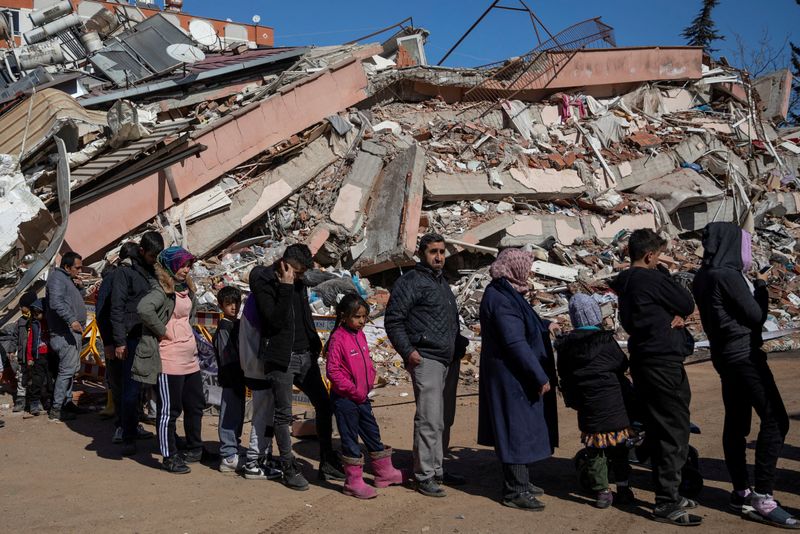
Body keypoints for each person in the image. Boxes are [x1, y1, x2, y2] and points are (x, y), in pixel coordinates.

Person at [693, 222, 795, 529]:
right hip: (744, 357)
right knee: (776, 420)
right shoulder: (726, 275)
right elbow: (755, 316)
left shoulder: (704, 275)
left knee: (736, 421)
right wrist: (761, 288)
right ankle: (763, 497)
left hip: (724, 356)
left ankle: (740, 490)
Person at [609, 229, 700, 526]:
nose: (660, 260)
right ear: (650, 255)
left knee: (659, 425)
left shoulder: (624, 283)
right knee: (674, 429)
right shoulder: (653, 278)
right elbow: (686, 303)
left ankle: (669, 491)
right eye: (658, 256)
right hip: (663, 362)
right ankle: (666, 501)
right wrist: (666, 283)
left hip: (644, 360)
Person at [249, 244, 344, 490]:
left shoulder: (299, 281)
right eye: (298, 272)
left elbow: (303, 314)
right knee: (283, 414)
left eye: (302, 273)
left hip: (305, 356)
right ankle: (288, 467)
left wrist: (314, 343)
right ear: (285, 265)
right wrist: (286, 286)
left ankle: (327, 460)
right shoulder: (264, 281)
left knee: (324, 404)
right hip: (281, 358)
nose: (301, 276)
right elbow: (274, 322)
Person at [385, 233, 469, 498]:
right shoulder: (410, 282)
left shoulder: (441, 282)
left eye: (442, 252)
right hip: (427, 359)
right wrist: (409, 352)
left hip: (448, 359)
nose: (439, 257)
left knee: (444, 419)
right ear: (422, 253)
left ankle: (438, 468)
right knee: (429, 419)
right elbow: (394, 320)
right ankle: (424, 475)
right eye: (434, 251)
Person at [477, 248, 559, 511]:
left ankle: (522, 482)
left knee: (521, 428)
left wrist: (544, 326)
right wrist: (538, 374)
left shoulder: (509, 291)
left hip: (514, 375)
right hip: (510, 376)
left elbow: (524, 323)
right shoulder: (501, 298)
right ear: (514, 268)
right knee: (515, 430)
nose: (530, 272)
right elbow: (514, 342)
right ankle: (515, 490)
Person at [555, 293, 634, 509]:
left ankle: (602, 493)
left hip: (588, 407)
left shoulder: (566, 346)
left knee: (595, 452)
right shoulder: (605, 341)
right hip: (615, 405)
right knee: (619, 450)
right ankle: (624, 488)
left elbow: (564, 375)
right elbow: (622, 364)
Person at [326, 294, 405, 499]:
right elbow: (333, 372)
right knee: (350, 439)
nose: (362, 321)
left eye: (364, 317)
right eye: (357, 317)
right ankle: (353, 482)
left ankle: (384, 473)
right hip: (345, 400)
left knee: (371, 431)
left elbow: (366, 360)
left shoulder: (359, 334)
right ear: (344, 316)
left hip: (362, 397)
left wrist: (370, 377)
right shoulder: (337, 339)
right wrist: (354, 390)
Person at [134, 246, 202, 474]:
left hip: (190, 359)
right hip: (170, 358)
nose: (186, 269)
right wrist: (164, 330)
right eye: (182, 265)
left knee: (194, 405)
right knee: (168, 411)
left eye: (188, 265)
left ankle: (194, 447)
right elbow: (144, 309)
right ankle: (169, 456)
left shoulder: (185, 288)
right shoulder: (161, 290)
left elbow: (189, 316)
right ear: (170, 266)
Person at [110, 232, 163, 455]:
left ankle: (164, 437)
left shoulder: (156, 271)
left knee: (160, 390)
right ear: (142, 252)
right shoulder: (125, 273)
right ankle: (129, 435)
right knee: (131, 391)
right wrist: (119, 341)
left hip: (153, 338)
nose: (154, 260)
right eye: (152, 256)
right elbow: (117, 308)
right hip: (132, 338)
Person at [238, 291, 282, 481]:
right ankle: (254, 461)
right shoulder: (260, 303)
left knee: (267, 416)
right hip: (258, 368)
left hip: (255, 367)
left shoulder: (254, 301)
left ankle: (265, 455)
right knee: (262, 417)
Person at [45, 251, 87, 422]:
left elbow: (74, 300)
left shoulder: (66, 280)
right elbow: (56, 302)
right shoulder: (57, 279)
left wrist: (80, 287)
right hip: (64, 333)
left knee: (70, 371)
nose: (79, 270)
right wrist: (71, 320)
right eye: (77, 267)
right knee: (66, 371)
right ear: (67, 267)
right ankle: (56, 409)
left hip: (71, 333)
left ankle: (67, 403)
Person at [213, 286, 246, 474]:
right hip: (231, 377)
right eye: (228, 304)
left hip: (239, 377)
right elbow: (227, 357)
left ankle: (234, 448)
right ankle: (228, 455)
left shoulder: (237, 324)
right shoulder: (224, 328)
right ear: (220, 306)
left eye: (236, 303)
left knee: (237, 415)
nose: (233, 307)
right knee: (229, 415)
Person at [24, 299, 51, 417]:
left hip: (50, 355)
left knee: (50, 381)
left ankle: (50, 401)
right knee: (37, 380)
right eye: (34, 313)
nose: (36, 315)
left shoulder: (50, 323)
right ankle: (34, 403)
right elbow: (30, 342)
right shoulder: (34, 324)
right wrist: (30, 357)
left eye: (38, 312)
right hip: (38, 356)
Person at [11, 292, 37, 413]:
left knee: (35, 378)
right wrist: (12, 350)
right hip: (22, 356)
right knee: (22, 377)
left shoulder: (37, 320)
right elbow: (14, 337)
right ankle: (21, 400)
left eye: (22, 306)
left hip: (35, 357)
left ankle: (35, 401)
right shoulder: (20, 321)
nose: (21, 309)